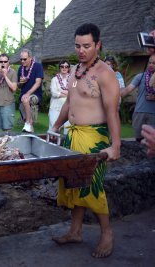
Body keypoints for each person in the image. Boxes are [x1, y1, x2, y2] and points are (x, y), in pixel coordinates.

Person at [51, 23, 121, 258]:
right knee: (74, 185)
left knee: (92, 186)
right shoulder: (74, 71)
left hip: (94, 138)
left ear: (98, 45)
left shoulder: (105, 74)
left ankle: (107, 232)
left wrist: (116, 145)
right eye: (78, 46)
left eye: (87, 46)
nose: (81, 50)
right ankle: (75, 231)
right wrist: (56, 126)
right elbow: (69, 102)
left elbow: (112, 111)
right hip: (74, 135)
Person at [120, 54, 155, 142]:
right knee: (138, 139)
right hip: (139, 112)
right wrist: (115, 96)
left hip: (153, 114)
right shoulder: (141, 76)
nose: (151, 65)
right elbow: (128, 89)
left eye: (154, 63)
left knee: (152, 141)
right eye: (150, 62)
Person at [17, 48, 44, 133]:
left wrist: (28, 94)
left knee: (26, 99)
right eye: (21, 59)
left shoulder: (37, 66)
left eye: (24, 59)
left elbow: (38, 83)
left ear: (30, 58)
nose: (22, 61)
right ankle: (30, 126)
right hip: (23, 94)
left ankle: (28, 123)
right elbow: (18, 86)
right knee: (24, 99)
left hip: (35, 95)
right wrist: (21, 82)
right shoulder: (20, 69)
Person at [0, 53, 17, 131]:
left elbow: (14, 88)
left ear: (8, 62)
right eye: (1, 61)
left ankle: (9, 143)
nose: (3, 63)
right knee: (2, 129)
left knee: (8, 129)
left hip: (7, 104)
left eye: (5, 61)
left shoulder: (12, 72)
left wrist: (5, 76)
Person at [48, 60, 71, 134]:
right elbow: (54, 93)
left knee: (68, 130)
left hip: (68, 107)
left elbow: (74, 93)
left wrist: (60, 92)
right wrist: (66, 93)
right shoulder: (54, 79)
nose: (64, 68)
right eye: (62, 66)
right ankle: (52, 144)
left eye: (66, 66)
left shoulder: (72, 80)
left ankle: (65, 145)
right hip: (55, 107)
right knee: (53, 127)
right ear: (59, 68)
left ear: (69, 68)